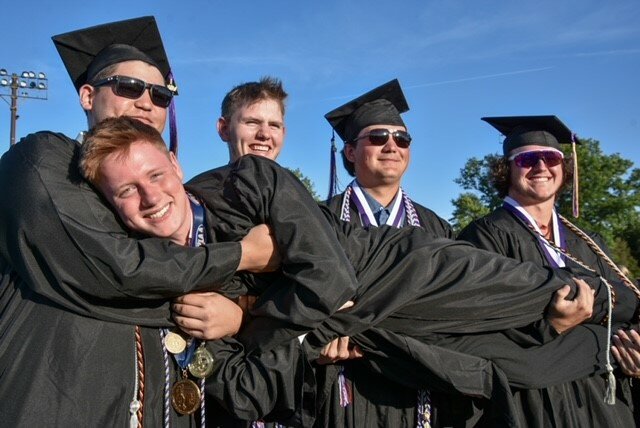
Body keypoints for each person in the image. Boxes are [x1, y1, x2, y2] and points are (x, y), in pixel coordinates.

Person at [0, 17, 359, 427]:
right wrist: (243, 257)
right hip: (59, 398)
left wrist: (243, 313)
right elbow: (118, 269)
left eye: (160, 94)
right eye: (128, 87)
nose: (146, 102)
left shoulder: (174, 205)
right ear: (87, 95)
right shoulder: (45, 161)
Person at [458, 115, 640, 427]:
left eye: (551, 157)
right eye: (527, 159)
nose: (541, 167)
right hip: (532, 401)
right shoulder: (482, 237)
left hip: (600, 397)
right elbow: (481, 322)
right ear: (507, 169)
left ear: (563, 167)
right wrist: (552, 326)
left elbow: (627, 304)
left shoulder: (588, 241)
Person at [321, 79, 454, 427]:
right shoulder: (317, 221)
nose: (392, 146)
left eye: (402, 139)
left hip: (419, 390)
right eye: (378, 137)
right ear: (350, 152)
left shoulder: (436, 227)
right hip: (340, 386)